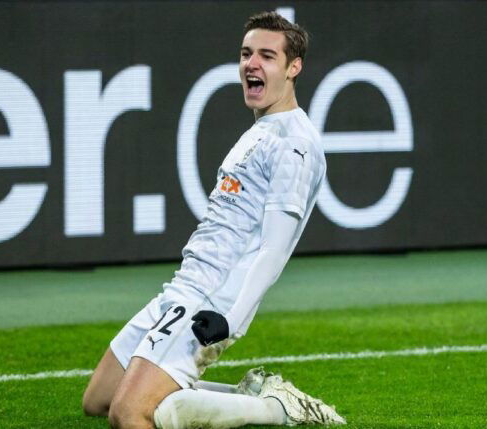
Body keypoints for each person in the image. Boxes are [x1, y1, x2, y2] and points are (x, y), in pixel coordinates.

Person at [82, 11, 345, 429]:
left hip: (212, 298)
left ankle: (275, 412)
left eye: (267, 56)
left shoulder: (294, 143)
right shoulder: (260, 130)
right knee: (100, 399)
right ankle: (265, 402)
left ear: (294, 68)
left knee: (129, 414)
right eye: (245, 54)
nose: (251, 64)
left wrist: (231, 320)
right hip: (183, 287)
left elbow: (274, 249)